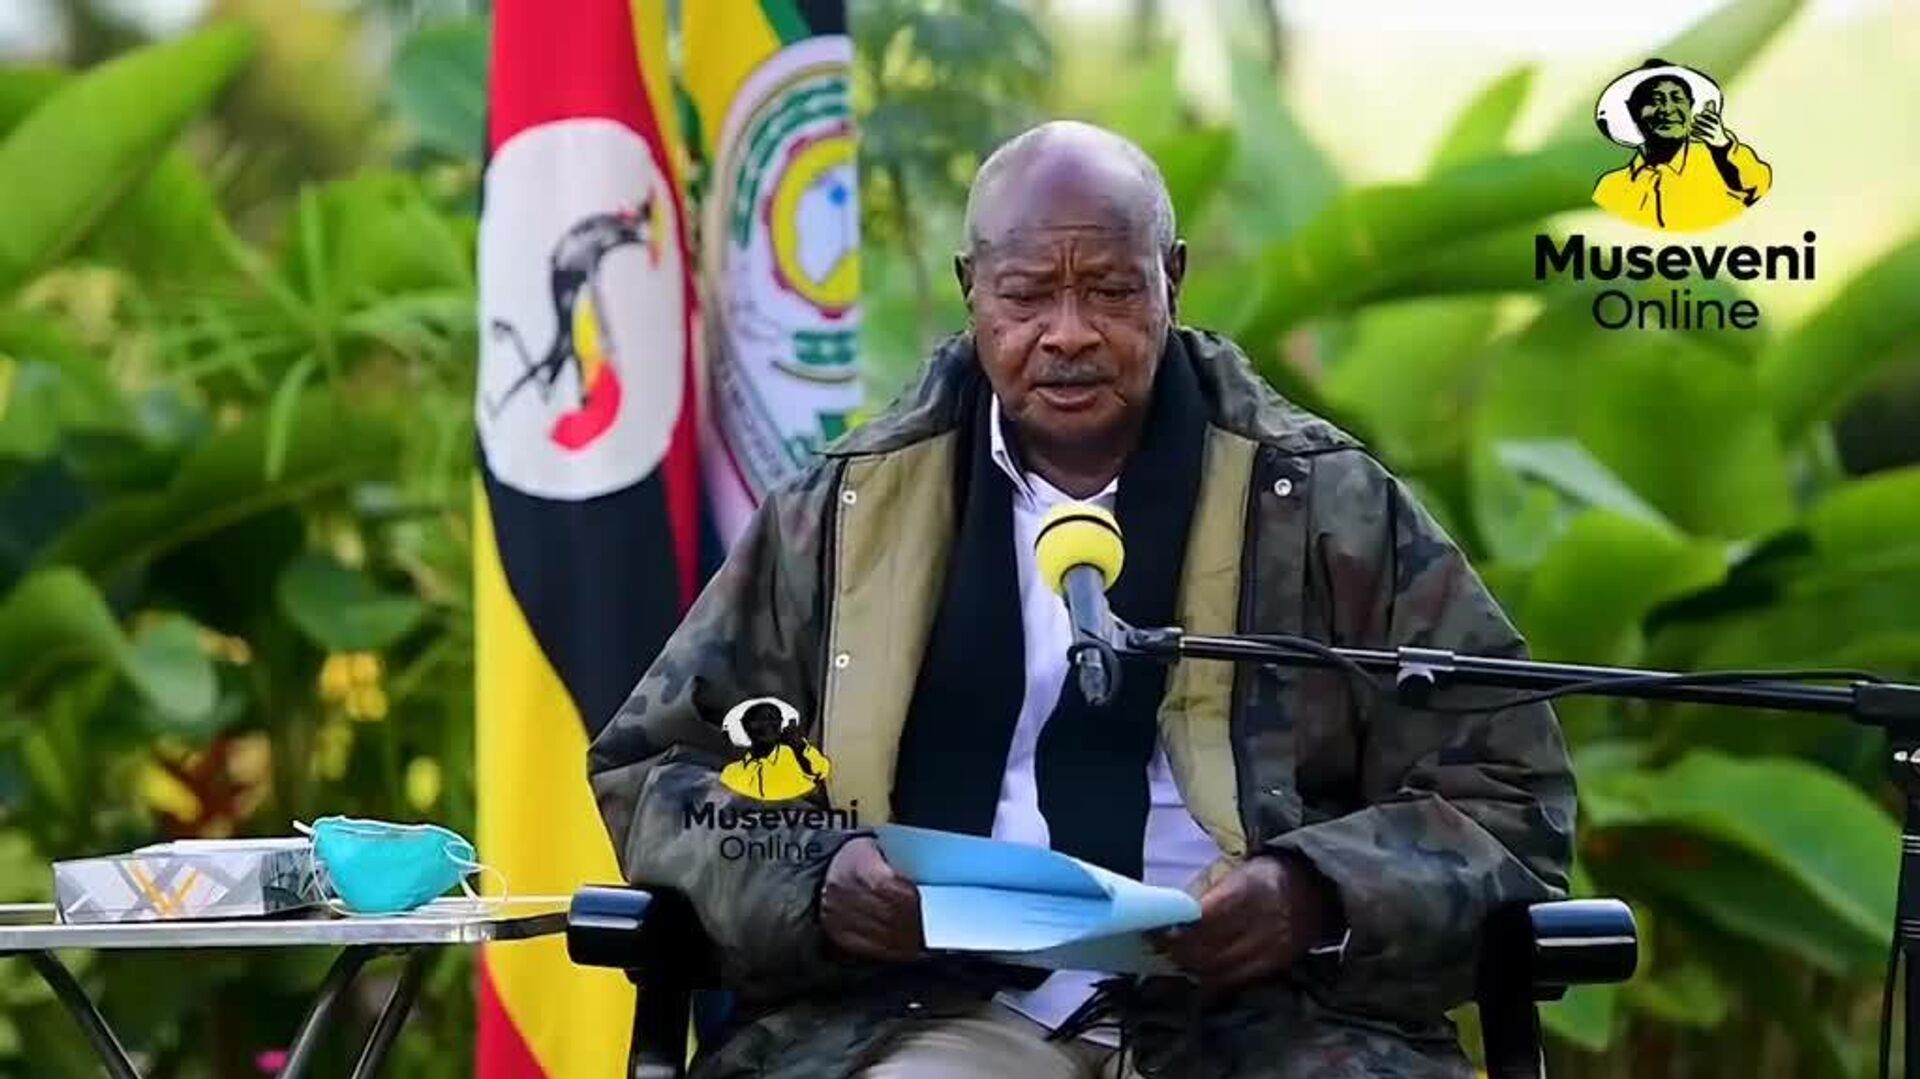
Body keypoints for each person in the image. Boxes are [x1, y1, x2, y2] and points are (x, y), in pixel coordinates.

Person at [590, 120, 1574, 1078]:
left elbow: (1507, 788)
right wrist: (816, 873)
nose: (1068, 333)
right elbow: (660, 765)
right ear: (971, 290)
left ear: (1172, 281)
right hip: (927, 1010)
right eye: (1026, 295)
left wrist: (1312, 890)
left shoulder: (1320, 501)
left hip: (1265, 1016)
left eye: (1111, 290)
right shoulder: (845, 512)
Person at [1591, 60, 1771, 231]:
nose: (1667, 109)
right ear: (1633, 111)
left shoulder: (1720, 163)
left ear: (1691, 107)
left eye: (1677, 99)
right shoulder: (1611, 188)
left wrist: (1722, 145)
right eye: (1654, 100)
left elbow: (1757, 185)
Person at [719, 698, 831, 802]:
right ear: (745, 726)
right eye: (759, 720)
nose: (767, 725)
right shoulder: (732, 772)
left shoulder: (797, 755)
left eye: (773, 719)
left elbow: (821, 770)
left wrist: (799, 747)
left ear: (781, 724)